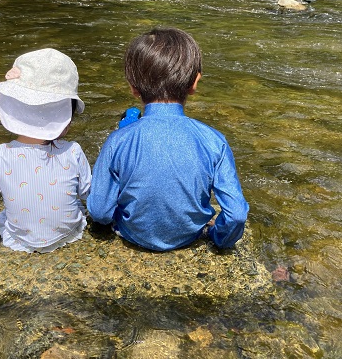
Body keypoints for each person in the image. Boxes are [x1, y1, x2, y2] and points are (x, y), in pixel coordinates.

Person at [87, 27, 249, 251]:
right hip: (189, 237)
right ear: (195, 82)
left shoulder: (117, 141)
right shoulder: (214, 141)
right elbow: (236, 215)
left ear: (133, 87)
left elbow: (99, 211)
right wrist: (218, 237)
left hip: (132, 235)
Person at [0, 48, 91, 253]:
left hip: (19, 239)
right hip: (69, 233)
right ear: (67, 114)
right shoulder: (73, 151)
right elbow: (87, 193)